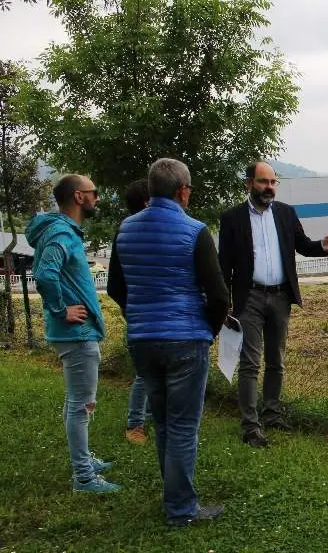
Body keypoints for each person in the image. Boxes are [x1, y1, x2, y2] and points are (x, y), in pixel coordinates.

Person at [108, 158, 229, 526]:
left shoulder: (125, 230)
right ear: (182, 191)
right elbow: (219, 295)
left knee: (161, 421)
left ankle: (174, 498)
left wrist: (139, 318)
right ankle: (181, 509)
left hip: (143, 341)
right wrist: (207, 330)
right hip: (185, 340)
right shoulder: (195, 231)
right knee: (182, 427)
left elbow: (115, 286)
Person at [218, 161, 328, 447]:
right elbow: (224, 263)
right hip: (249, 297)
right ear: (249, 184)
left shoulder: (286, 213)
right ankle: (251, 425)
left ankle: (271, 413)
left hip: (280, 297)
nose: (269, 188)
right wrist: (224, 302)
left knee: (277, 361)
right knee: (250, 363)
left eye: (273, 182)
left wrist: (321, 246)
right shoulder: (232, 218)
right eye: (263, 182)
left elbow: (302, 245)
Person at [25, 174, 121, 493]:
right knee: (82, 405)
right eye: (94, 193)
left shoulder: (63, 232)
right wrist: (61, 309)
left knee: (76, 401)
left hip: (77, 333)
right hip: (76, 334)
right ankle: (84, 476)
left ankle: (84, 461)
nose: (98, 198)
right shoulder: (61, 234)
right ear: (79, 197)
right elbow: (44, 274)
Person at [106, 179, 151, 444]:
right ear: (147, 203)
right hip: (142, 313)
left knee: (157, 371)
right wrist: (130, 308)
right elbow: (114, 283)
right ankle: (136, 423)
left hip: (150, 312)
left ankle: (151, 415)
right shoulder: (127, 233)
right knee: (145, 371)